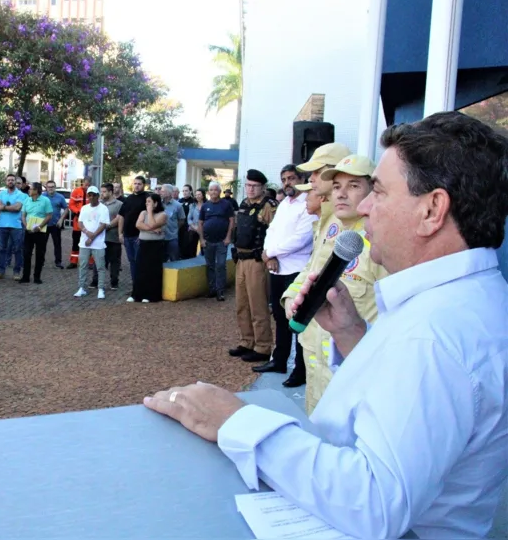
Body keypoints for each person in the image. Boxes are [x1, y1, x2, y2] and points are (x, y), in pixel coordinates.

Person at [144, 111, 508, 539]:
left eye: (381, 193)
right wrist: (353, 335)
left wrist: (233, 421)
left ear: (432, 210)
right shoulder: (467, 301)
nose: (366, 206)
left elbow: (374, 503)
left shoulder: (433, 334)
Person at [288, 155, 387, 410]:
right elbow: (312, 270)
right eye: (336, 187)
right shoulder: (335, 228)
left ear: (372, 192)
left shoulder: (381, 242)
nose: (341, 194)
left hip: (354, 372)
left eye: (353, 186)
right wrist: (293, 296)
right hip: (318, 363)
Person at [279, 142, 352, 395]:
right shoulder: (327, 220)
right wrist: (290, 296)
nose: (310, 179)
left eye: (316, 172)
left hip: (343, 352)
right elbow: (313, 268)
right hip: (317, 346)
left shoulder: (355, 225)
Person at [254, 165, 316, 388]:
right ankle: (279, 361)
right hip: (277, 268)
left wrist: (271, 252)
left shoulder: (308, 205)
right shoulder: (283, 205)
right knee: (279, 318)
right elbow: (271, 232)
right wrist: (267, 255)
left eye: (292, 178)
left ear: (302, 179)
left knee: (297, 321)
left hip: (297, 270)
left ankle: (300, 370)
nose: (287, 182)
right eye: (284, 179)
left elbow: (301, 239)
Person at [228, 170, 277, 360]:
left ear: (263, 188)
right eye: (248, 185)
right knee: (242, 305)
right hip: (241, 259)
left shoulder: (270, 207)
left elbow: (275, 233)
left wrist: (270, 256)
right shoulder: (244, 204)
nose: (250, 189)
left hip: (258, 261)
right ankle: (246, 341)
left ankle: (263, 346)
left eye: (254, 186)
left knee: (258, 306)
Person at [198, 182, 235, 301]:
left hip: (222, 241)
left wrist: (228, 237)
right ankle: (212, 289)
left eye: (215, 190)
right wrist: (202, 239)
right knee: (210, 266)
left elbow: (231, 221)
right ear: (208, 192)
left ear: (219, 191)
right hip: (208, 241)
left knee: (220, 265)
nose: (213, 192)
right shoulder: (205, 206)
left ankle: (220, 291)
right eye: (211, 190)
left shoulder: (226, 204)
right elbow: (200, 223)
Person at [128, 193, 167, 303]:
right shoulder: (143, 212)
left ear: (156, 203)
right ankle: (137, 294)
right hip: (143, 243)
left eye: (149, 202)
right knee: (140, 268)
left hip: (155, 246)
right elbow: (138, 224)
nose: (146, 204)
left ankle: (151, 295)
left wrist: (150, 213)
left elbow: (152, 224)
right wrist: (152, 229)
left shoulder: (162, 214)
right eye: (146, 202)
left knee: (152, 270)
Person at [74, 186, 110, 300]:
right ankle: (82, 287)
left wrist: (92, 237)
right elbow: (80, 223)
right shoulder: (84, 208)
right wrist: (87, 232)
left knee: (100, 266)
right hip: (84, 242)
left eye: (94, 195)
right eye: (89, 195)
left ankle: (100, 288)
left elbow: (103, 224)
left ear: (98, 196)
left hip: (98, 243)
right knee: (83, 265)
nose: (91, 197)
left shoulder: (103, 208)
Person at [0, 174, 28, 280]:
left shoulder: (22, 195)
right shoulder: (2, 194)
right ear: (6, 182)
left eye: (12, 180)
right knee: (2, 249)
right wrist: (8, 207)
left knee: (17, 249)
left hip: (16, 226)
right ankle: (1, 272)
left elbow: (17, 208)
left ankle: (16, 272)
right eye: (8, 180)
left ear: (15, 182)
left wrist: (3, 207)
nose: (10, 182)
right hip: (2, 225)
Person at [90, 183, 123, 290]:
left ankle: (114, 282)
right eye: (101, 191)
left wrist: (107, 226)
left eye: (104, 191)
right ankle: (95, 281)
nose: (102, 194)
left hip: (113, 238)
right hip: (100, 238)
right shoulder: (99, 204)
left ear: (110, 192)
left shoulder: (119, 204)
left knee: (114, 261)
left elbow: (119, 218)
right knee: (98, 260)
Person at [20, 182, 53, 284]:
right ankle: (25, 276)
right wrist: (26, 225)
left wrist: (40, 226)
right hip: (29, 231)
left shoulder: (45, 200)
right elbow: (23, 215)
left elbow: (49, 215)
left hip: (40, 232)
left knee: (39, 254)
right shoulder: (27, 200)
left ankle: (37, 277)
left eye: (31, 189)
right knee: (26, 254)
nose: (29, 190)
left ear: (36, 190)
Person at [118, 175, 148, 283]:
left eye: (139, 184)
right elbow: (121, 216)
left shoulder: (147, 198)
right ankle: (135, 283)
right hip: (127, 236)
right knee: (131, 261)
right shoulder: (128, 198)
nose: (137, 186)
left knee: (140, 260)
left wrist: (143, 234)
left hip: (139, 236)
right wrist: (120, 234)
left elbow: (149, 218)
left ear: (144, 185)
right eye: (135, 183)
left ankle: (141, 284)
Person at [67, 176, 91, 268]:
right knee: (76, 243)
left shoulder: (92, 192)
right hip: (78, 222)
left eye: (88, 185)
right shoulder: (76, 191)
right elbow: (71, 204)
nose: (86, 187)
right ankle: (73, 262)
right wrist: (78, 211)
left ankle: (91, 262)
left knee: (90, 242)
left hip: (89, 222)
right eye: (85, 184)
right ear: (83, 183)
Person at [44, 181, 68, 269]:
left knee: (57, 244)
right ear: (46, 187)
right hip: (44, 224)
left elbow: (66, 209)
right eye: (49, 187)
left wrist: (61, 220)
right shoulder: (42, 196)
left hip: (56, 224)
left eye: (52, 186)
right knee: (42, 244)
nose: (51, 188)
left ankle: (58, 262)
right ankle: (41, 261)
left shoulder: (60, 197)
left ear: (55, 187)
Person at [159, 184, 185, 262]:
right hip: (160, 237)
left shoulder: (178, 205)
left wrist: (174, 229)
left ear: (169, 193)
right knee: (160, 260)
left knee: (174, 260)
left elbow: (182, 220)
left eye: (163, 191)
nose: (160, 192)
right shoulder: (158, 204)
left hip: (172, 238)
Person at [178, 184, 196, 259]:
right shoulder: (180, 201)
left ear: (190, 191)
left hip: (190, 227)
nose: (184, 192)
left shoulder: (193, 201)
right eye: (183, 191)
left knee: (189, 245)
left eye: (186, 191)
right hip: (180, 226)